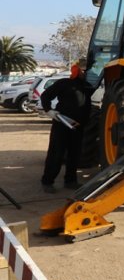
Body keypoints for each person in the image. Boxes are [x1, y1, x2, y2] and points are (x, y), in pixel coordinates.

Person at [40, 58, 92, 193]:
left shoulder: (86, 86)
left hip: (78, 126)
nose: (85, 72)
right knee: (56, 153)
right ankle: (47, 181)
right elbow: (45, 96)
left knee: (74, 154)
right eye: (83, 69)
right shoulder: (64, 83)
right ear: (76, 70)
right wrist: (49, 110)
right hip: (62, 124)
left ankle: (70, 181)